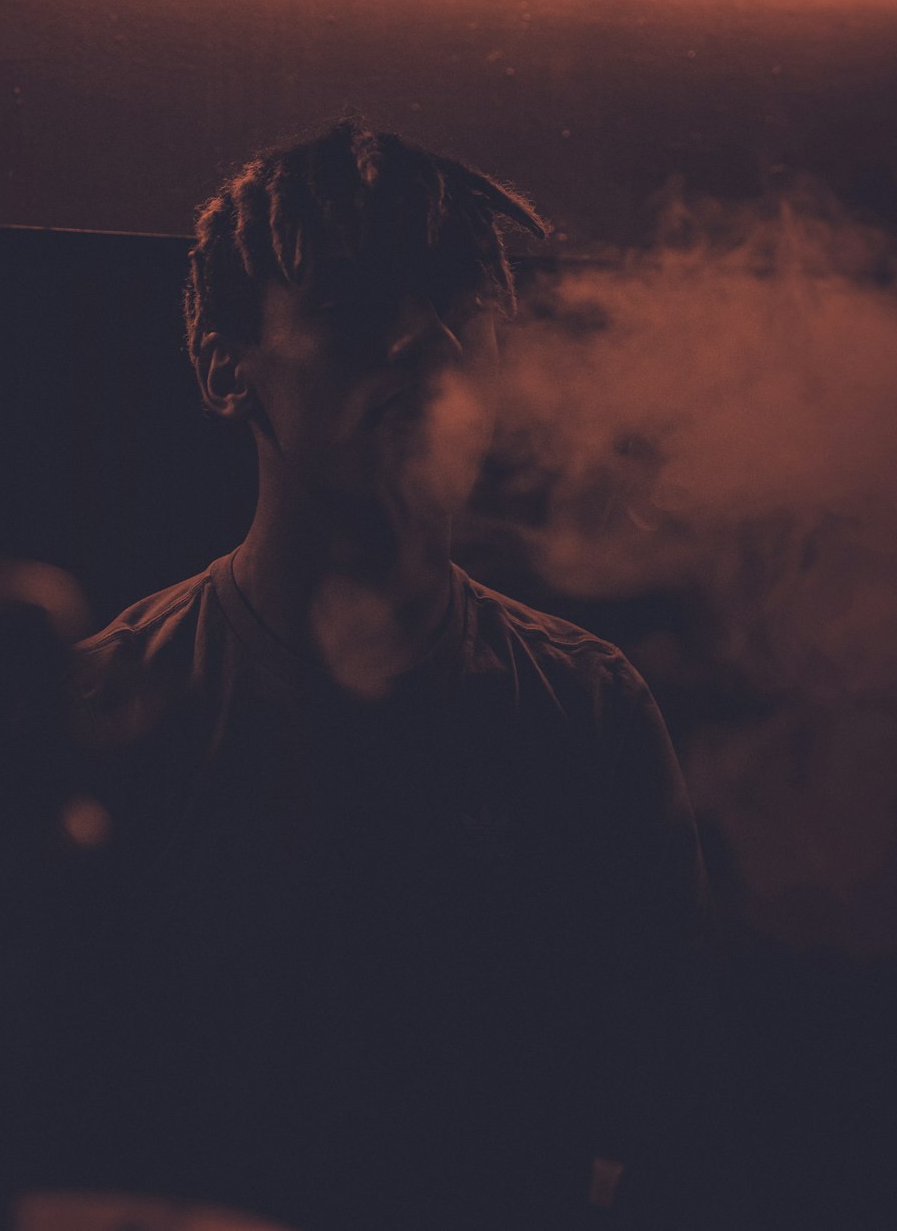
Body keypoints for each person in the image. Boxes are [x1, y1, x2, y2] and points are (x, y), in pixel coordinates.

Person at [67, 119, 714, 1231]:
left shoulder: (590, 713)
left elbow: (677, 1123)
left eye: (466, 324)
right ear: (226, 364)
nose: (425, 356)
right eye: (362, 313)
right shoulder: (109, 709)